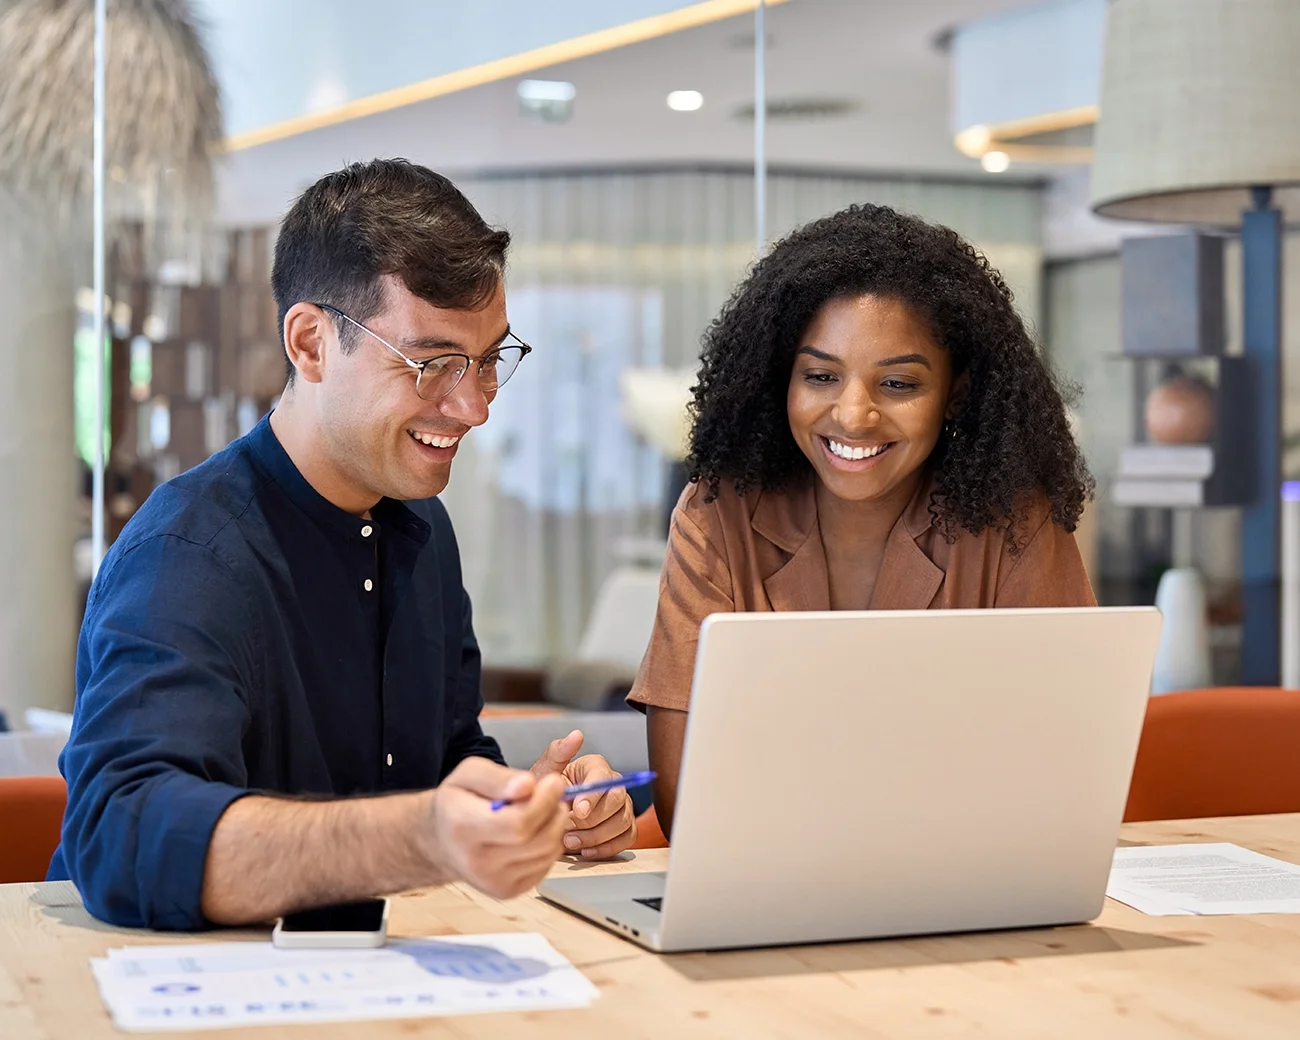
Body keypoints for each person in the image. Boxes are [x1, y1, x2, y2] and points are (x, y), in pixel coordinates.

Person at [51, 159, 636, 930]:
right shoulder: (186, 555)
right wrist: (419, 836)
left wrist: (525, 807)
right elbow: (123, 834)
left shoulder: (424, 530)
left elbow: (448, 754)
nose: (473, 408)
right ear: (312, 344)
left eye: (489, 361)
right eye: (431, 365)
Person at [628, 204, 1096, 836]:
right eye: (820, 376)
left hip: (967, 891)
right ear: (779, 381)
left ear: (955, 392)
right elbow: (688, 807)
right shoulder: (719, 515)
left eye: (898, 385)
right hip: (762, 888)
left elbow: (1058, 783)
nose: (853, 416)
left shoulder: (1015, 523)